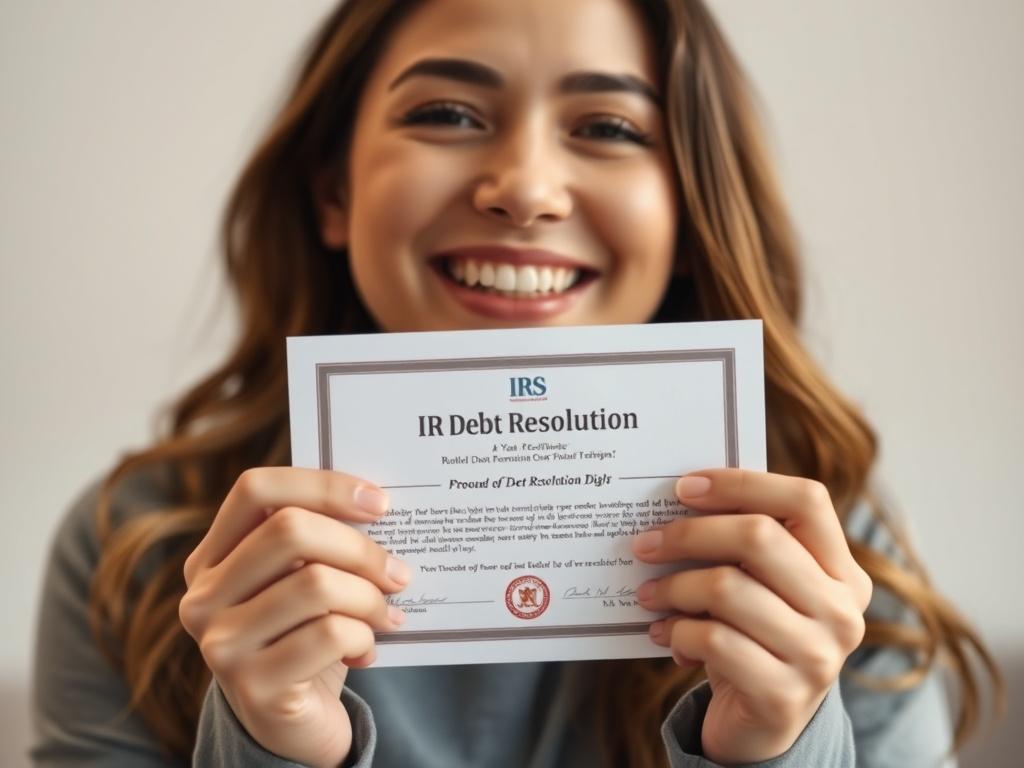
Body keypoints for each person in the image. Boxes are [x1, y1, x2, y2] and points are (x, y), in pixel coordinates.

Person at [31, 0, 1003, 766]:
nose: (525, 187)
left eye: (609, 126)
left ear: (684, 210)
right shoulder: (138, 551)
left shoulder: (819, 557)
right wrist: (276, 746)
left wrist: (776, 747)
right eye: (447, 113)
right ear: (334, 190)